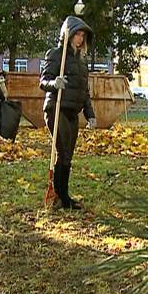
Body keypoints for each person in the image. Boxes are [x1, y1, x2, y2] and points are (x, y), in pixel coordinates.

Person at [40, 16, 96, 210]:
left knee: (67, 156)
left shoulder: (82, 60)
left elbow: (84, 91)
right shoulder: (56, 54)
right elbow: (43, 81)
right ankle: (61, 197)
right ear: (68, 34)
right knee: (63, 152)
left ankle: (61, 195)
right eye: (76, 34)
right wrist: (54, 83)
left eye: (82, 35)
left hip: (73, 111)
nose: (79, 39)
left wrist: (90, 114)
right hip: (56, 108)